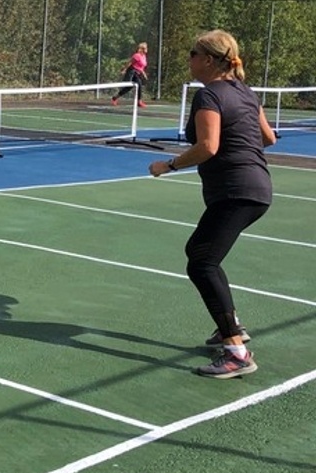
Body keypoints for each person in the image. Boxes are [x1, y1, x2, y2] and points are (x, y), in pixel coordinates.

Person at [149, 29, 275, 379]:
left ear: (207, 60)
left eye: (192, 53)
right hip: (256, 188)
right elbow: (268, 137)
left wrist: (168, 165)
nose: (188, 58)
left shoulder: (209, 96)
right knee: (203, 256)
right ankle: (228, 327)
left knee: (202, 261)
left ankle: (236, 350)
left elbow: (208, 146)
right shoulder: (245, 93)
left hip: (237, 192)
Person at [112, 42, 150, 107]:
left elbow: (141, 67)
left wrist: (144, 73)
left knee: (128, 87)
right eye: (145, 48)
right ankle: (139, 102)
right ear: (142, 49)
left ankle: (115, 97)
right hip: (132, 72)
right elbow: (130, 63)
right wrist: (124, 70)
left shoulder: (144, 56)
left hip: (138, 73)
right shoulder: (137, 55)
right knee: (139, 84)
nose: (146, 49)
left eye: (146, 48)